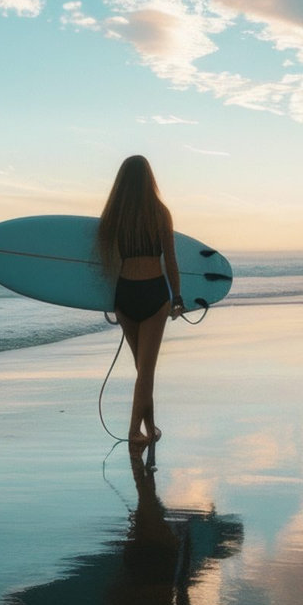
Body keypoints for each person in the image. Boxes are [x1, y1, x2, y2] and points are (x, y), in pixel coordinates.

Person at [96, 155, 184, 445]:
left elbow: (105, 263)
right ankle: (134, 431)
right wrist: (177, 297)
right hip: (153, 294)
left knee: (142, 369)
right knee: (146, 370)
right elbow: (170, 261)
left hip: (125, 296)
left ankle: (150, 427)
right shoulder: (160, 213)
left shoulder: (114, 215)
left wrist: (108, 300)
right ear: (150, 179)